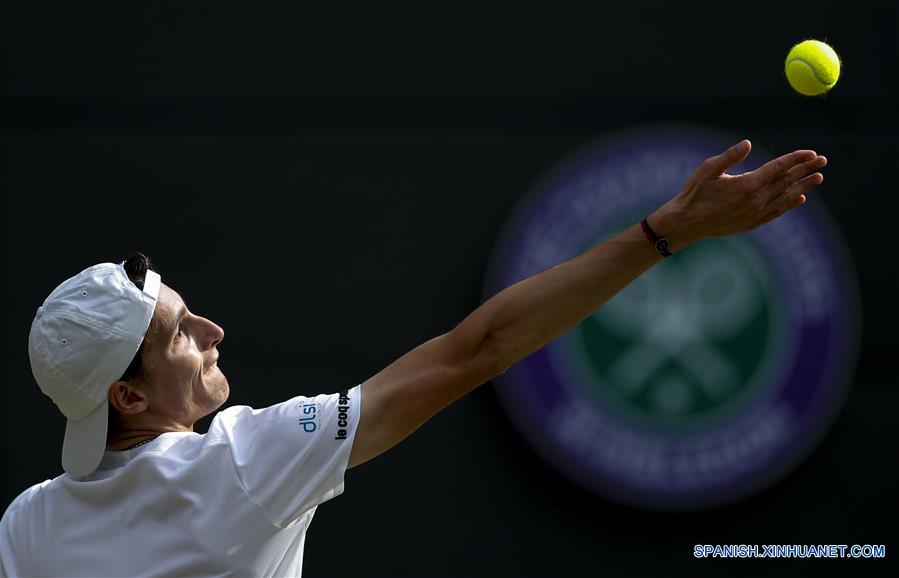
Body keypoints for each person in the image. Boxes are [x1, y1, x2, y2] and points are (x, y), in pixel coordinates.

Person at [0, 140, 826, 577]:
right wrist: (662, 233)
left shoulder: (28, 525)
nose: (213, 330)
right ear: (128, 398)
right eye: (181, 332)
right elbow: (478, 350)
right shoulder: (241, 465)